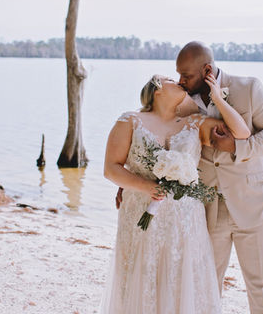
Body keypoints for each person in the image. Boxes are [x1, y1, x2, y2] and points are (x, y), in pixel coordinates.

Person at [100, 72, 250, 314]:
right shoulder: (129, 121)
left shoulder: (195, 124)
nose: (179, 80)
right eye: (170, 78)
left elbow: (241, 134)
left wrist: (218, 99)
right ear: (157, 88)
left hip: (185, 219)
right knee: (141, 275)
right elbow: (111, 169)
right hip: (141, 214)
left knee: (181, 277)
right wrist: (146, 186)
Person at [176, 41, 263, 314]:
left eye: (187, 76)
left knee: (259, 285)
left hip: (253, 205)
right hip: (208, 208)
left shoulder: (248, 88)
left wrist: (238, 147)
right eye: (178, 74)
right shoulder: (180, 100)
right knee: (207, 284)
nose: (180, 82)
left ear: (207, 70)